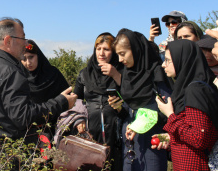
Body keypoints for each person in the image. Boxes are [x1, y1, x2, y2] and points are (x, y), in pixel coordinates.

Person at [0, 18, 77, 167]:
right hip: (3, 157)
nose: (25, 43)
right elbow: (23, 117)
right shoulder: (9, 72)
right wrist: (61, 102)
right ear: (8, 40)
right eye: (22, 38)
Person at [113, 29, 171, 171]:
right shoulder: (127, 74)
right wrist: (119, 108)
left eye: (122, 54)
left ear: (135, 49)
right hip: (130, 143)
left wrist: (140, 124)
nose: (120, 60)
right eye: (118, 55)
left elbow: (167, 110)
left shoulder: (156, 73)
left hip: (153, 143)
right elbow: (129, 109)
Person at [155, 39, 218, 170]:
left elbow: (199, 138)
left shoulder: (195, 90)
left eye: (167, 60)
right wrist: (171, 138)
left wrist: (170, 115)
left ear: (182, 60)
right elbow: (191, 130)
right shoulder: (190, 87)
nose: (163, 65)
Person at [73, 33, 125, 171]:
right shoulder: (85, 74)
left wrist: (116, 75)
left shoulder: (122, 71)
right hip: (90, 133)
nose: (101, 53)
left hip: (116, 135)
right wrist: (79, 119)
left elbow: (131, 95)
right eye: (98, 48)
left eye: (106, 49)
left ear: (113, 52)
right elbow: (75, 99)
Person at [21, 39, 69, 104]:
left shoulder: (53, 75)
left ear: (38, 56)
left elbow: (68, 99)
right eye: (24, 59)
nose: (28, 62)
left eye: (31, 57)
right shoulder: (19, 79)